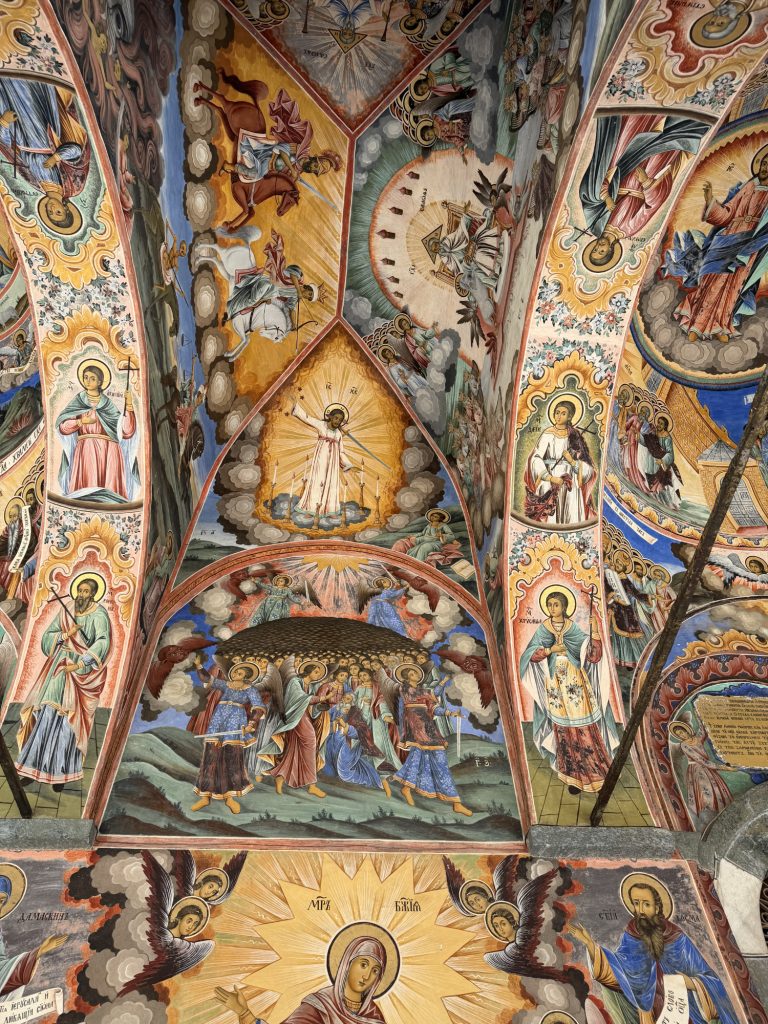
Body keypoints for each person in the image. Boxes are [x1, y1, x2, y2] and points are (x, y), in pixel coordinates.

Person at [569, 874, 739, 1024]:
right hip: (649, 1014)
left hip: (681, 1010)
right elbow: (620, 969)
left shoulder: (676, 938)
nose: (641, 910)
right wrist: (590, 944)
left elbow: (711, 980)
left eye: (646, 904)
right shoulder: (633, 935)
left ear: (657, 908)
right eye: (636, 904)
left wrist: (691, 983)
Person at [15, 575, 111, 789]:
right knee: (46, 714)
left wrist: (79, 664)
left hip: (79, 672)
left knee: (68, 722)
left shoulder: (99, 614)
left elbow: (103, 642)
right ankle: (32, 769)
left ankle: (61, 774)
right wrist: (66, 634)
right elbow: (47, 636)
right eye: (80, 590)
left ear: (93, 595)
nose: (81, 595)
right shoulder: (67, 608)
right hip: (59, 667)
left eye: (86, 592)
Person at [579, 113, 707, 272]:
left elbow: (590, 193)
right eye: (602, 252)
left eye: (595, 249)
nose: (599, 247)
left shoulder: (596, 224)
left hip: (623, 168)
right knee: (662, 141)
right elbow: (651, 206)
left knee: (633, 130)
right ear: (610, 250)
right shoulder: (629, 229)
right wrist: (646, 181)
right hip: (647, 172)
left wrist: (606, 198)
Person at [520, 588, 619, 793]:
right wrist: (550, 650)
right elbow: (530, 654)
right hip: (555, 684)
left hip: (575, 680)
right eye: (549, 604)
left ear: (564, 607)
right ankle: (572, 777)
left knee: (584, 724)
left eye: (556, 604)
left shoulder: (572, 627)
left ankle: (596, 774)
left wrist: (595, 632)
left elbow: (593, 655)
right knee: (563, 727)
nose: (552, 608)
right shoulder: (544, 628)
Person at [670, 148, 768, 343]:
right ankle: (696, 325)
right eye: (764, 163)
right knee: (712, 282)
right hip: (728, 238)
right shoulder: (749, 186)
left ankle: (721, 326)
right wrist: (710, 200)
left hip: (749, 245)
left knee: (733, 286)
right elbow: (727, 214)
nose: (765, 168)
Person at [215, 932, 391, 1024]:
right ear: (348, 963)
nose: (367, 976)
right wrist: (244, 1013)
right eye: (363, 964)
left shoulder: (374, 1017)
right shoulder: (320, 1006)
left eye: (375, 971)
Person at [391, 664, 470, 816]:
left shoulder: (422, 691)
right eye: (412, 673)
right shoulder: (405, 689)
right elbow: (431, 694)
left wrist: (451, 713)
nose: (416, 675)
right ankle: (408, 789)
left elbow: (434, 707)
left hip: (428, 727)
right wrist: (442, 682)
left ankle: (455, 802)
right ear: (407, 678)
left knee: (431, 761)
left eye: (415, 673)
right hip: (416, 726)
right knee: (422, 759)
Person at [56, 361, 139, 503]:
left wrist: (129, 405)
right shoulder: (79, 401)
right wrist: (80, 422)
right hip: (87, 449)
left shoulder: (108, 404)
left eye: (92, 378)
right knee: (87, 491)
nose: (88, 381)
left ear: (100, 382)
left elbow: (126, 431)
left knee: (110, 494)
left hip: (110, 450)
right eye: (85, 377)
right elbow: (63, 427)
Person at [190, 660, 265, 815]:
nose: (236, 674)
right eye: (235, 671)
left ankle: (229, 798)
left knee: (231, 758)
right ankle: (205, 796)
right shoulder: (226, 685)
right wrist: (199, 666)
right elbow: (207, 678)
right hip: (218, 721)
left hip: (235, 723)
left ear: (246, 676)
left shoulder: (250, 690)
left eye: (240, 672)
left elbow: (258, 708)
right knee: (210, 757)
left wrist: (251, 723)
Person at [524, 399, 596, 525]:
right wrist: (551, 478)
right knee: (551, 515)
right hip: (550, 478)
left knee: (570, 513)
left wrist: (572, 461)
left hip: (570, 481)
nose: (559, 416)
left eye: (563, 413)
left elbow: (588, 466)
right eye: (557, 412)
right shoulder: (548, 434)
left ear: (570, 417)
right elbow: (536, 458)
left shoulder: (575, 435)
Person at [289, 396, 354, 518]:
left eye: (340, 420)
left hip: (333, 463)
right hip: (321, 459)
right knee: (317, 480)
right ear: (330, 417)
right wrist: (296, 406)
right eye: (336, 418)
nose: (337, 421)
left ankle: (329, 510)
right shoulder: (321, 425)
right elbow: (307, 418)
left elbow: (341, 451)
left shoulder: (338, 434)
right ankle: (311, 510)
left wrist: (347, 464)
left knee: (331, 483)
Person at [669, 720, 734, 825]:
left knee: (717, 790)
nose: (681, 735)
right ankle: (708, 818)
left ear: (686, 731)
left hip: (708, 769)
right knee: (705, 793)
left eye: (682, 732)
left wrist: (699, 718)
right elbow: (701, 760)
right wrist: (723, 767)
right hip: (697, 770)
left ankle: (724, 816)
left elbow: (703, 732)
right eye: (679, 735)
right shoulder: (684, 745)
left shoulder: (697, 738)